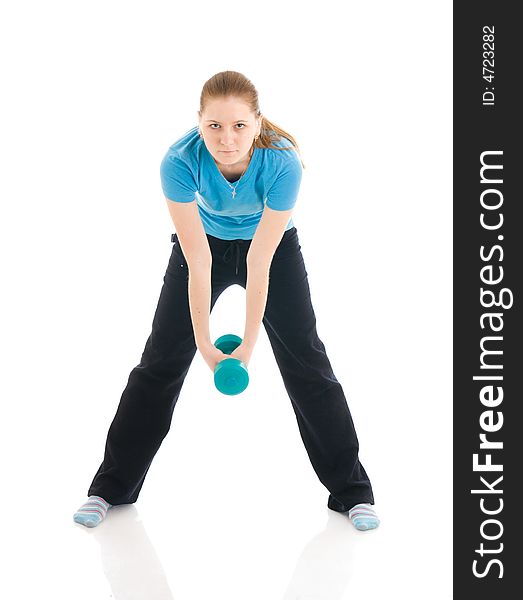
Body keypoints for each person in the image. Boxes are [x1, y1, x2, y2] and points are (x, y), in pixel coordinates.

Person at [73, 70, 379, 532]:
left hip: (269, 246)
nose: (227, 138)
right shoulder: (178, 161)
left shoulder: (282, 163)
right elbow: (196, 259)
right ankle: (109, 490)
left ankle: (353, 494)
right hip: (206, 245)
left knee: (307, 362)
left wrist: (248, 347)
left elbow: (261, 260)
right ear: (199, 123)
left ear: (257, 123)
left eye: (238, 126)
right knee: (159, 361)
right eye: (214, 126)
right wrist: (205, 345)